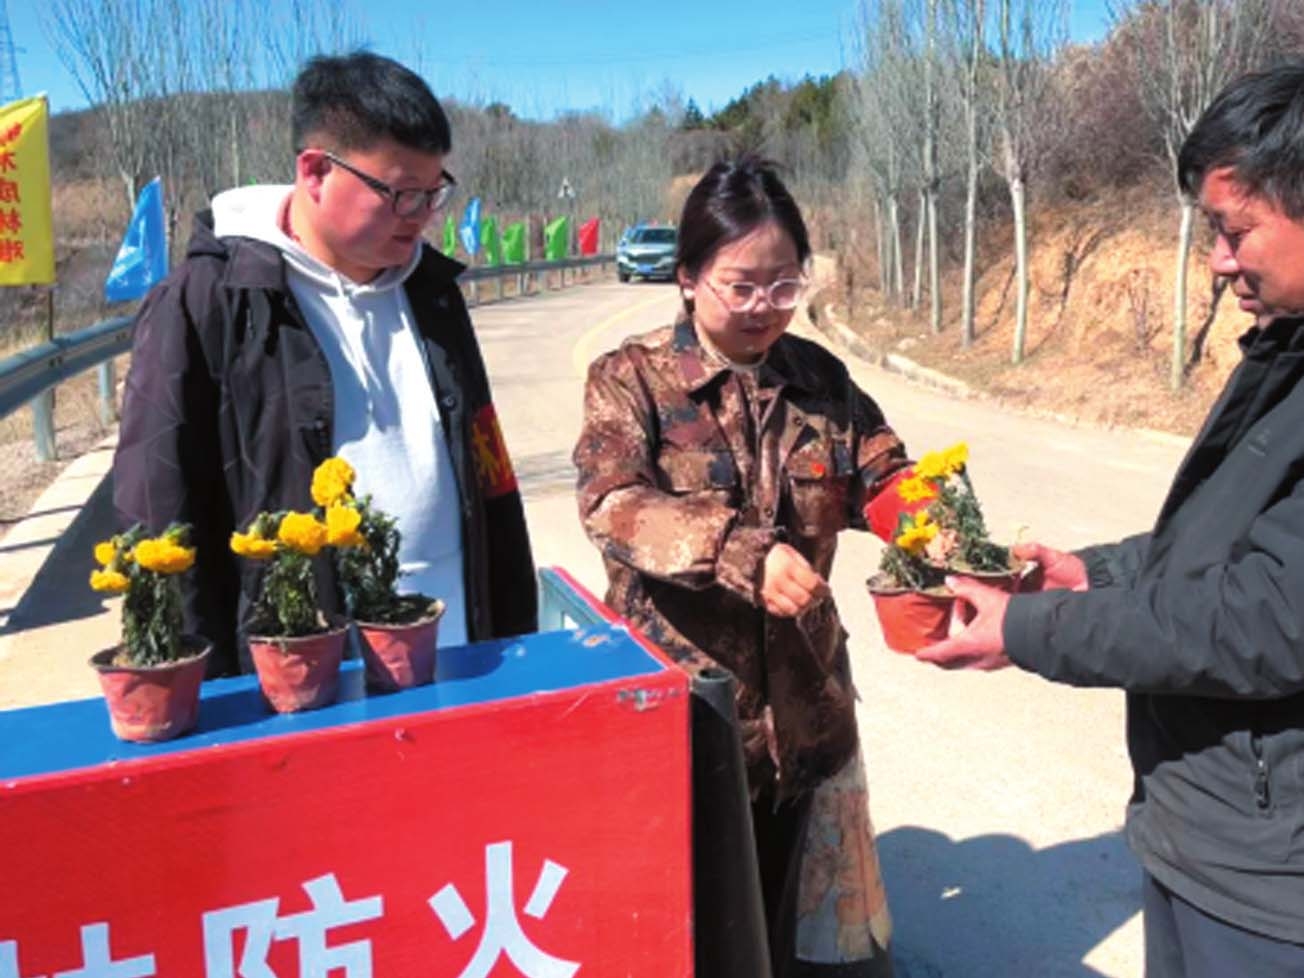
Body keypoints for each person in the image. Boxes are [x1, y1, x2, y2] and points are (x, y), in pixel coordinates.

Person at [918, 57, 1304, 975]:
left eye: (1235, 230)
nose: (1219, 261)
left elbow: (1272, 617)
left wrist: (1028, 630)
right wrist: (1095, 574)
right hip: (1217, 845)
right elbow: (1234, 539)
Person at [574, 157, 902, 976]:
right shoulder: (631, 380)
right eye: (741, 285)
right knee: (696, 929)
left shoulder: (818, 378)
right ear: (688, 277)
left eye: (784, 284)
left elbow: (885, 472)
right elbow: (612, 503)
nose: (765, 307)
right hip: (685, 713)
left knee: (783, 928)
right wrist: (736, 551)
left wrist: (943, 531)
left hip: (802, 707)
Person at [114, 52, 537, 676]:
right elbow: (160, 508)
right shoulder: (212, 301)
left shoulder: (432, 293)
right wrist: (199, 690)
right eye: (400, 194)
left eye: (433, 193)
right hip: (299, 678)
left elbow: (486, 467)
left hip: (455, 649)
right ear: (315, 171)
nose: (421, 216)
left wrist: (514, 629)